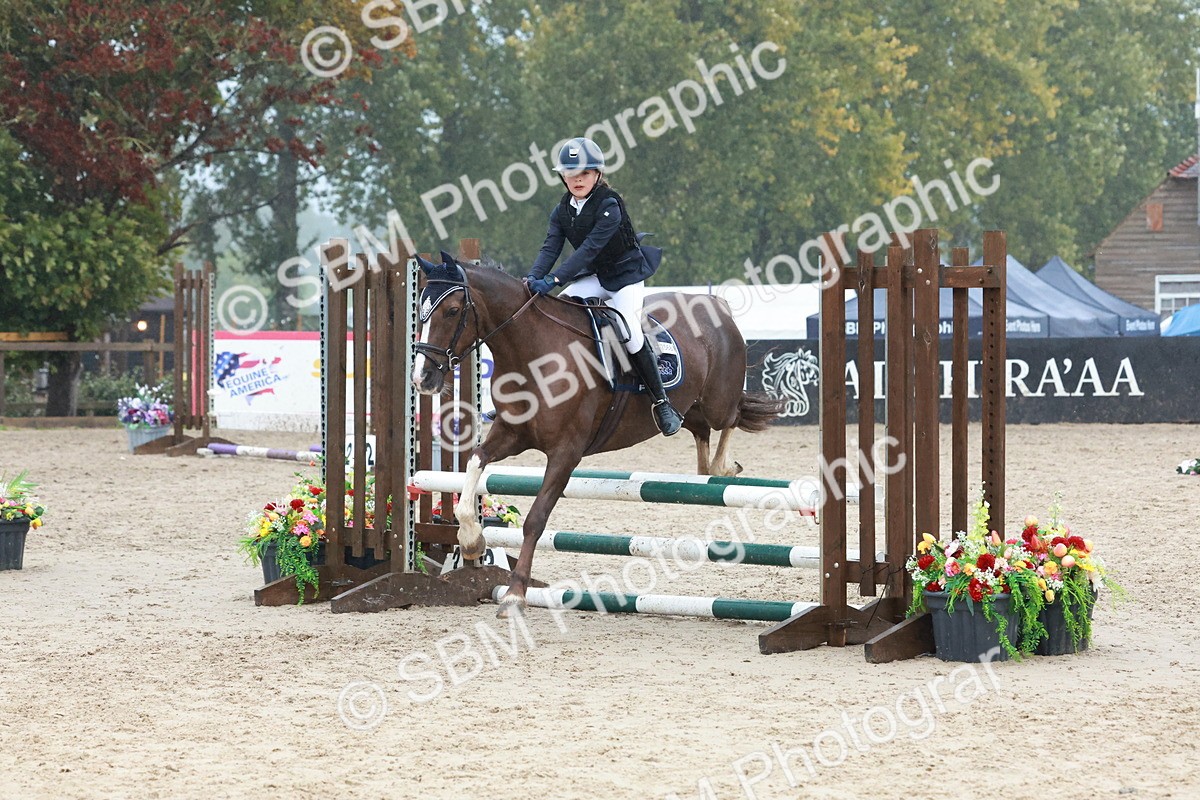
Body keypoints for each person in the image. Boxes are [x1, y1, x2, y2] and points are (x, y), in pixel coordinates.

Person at [525, 137, 684, 436]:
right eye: (571, 174)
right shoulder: (561, 211)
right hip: (596, 277)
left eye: (584, 173)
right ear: (563, 176)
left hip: (625, 277)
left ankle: (661, 402)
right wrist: (533, 278)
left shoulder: (610, 205)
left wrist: (554, 280)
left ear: (597, 174)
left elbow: (588, 250)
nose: (577, 179)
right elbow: (550, 248)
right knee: (556, 311)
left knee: (629, 332)